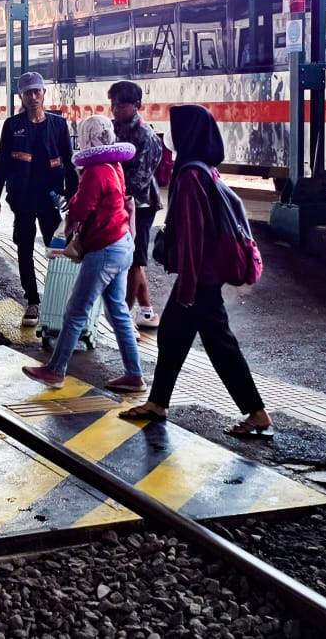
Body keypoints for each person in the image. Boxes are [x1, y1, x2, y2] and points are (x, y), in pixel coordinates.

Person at [119, 105, 274, 438]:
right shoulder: (206, 168)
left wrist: (187, 289)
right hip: (204, 277)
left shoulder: (190, 175)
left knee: (219, 345)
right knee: (174, 335)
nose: (172, 136)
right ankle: (158, 403)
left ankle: (256, 413)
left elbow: (192, 238)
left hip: (200, 279)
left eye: (177, 129)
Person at [22, 116, 145, 392]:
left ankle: (55, 370)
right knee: (118, 313)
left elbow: (80, 210)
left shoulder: (95, 172)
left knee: (76, 311)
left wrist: (69, 221)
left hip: (104, 249)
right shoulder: (114, 166)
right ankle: (134, 374)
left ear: (87, 138)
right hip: (123, 244)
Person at [0, 72, 78, 329]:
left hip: (50, 199)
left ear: (44, 93)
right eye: (28, 93)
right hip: (22, 199)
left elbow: (70, 163)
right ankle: (33, 301)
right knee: (24, 248)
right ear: (21, 96)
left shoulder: (58, 125)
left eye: (37, 92)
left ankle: (55, 299)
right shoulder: (12, 125)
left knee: (57, 250)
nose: (33, 97)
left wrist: (73, 195)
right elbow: (2, 163)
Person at [108, 81, 164, 328]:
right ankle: (147, 312)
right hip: (121, 202)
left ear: (136, 105)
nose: (115, 109)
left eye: (120, 104)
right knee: (134, 259)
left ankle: (126, 316)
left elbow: (140, 178)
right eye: (113, 103)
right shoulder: (113, 129)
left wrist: (111, 193)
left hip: (140, 205)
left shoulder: (145, 135)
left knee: (134, 260)